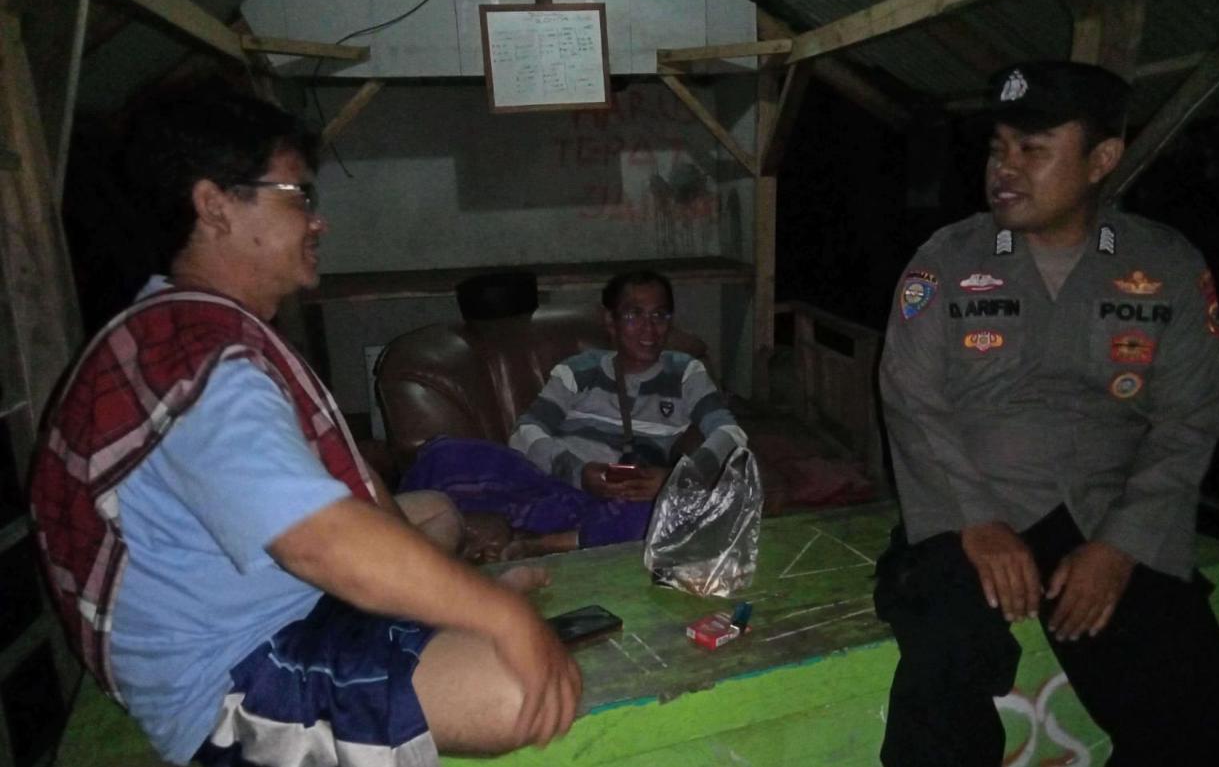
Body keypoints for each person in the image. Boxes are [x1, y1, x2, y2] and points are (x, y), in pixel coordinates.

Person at [28, 87, 580, 767]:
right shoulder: (202, 365)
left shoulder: (182, 323)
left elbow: (358, 497)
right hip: (233, 669)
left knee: (434, 511)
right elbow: (320, 541)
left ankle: (421, 619)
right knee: (514, 691)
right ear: (215, 206)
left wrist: (462, 597)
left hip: (268, 596)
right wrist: (503, 617)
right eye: (297, 195)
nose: (317, 220)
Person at [874, 61, 1219, 766]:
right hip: (969, 506)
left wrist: (1122, 544)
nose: (1005, 169)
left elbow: (1193, 411)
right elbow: (911, 399)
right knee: (943, 663)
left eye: (1033, 150)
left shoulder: (1162, 264)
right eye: (998, 147)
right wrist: (976, 521)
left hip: (1106, 509)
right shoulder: (948, 260)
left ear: (1102, 160)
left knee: (1189, 696)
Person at [401, 270, 748, 560]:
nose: (649, 329)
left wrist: (678, 478)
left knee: (661, 514)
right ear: (610, 321)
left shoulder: (685, 372)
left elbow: (730, 435)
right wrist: (578, 472)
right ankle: (401, 545)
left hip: (618, 499)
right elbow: (525, 433)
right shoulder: (580, 369)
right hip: (554, 481)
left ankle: (538, 544)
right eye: (634, 315)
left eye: (660, 316)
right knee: (443, 454)